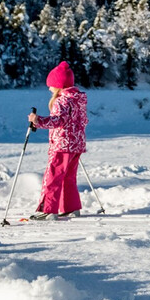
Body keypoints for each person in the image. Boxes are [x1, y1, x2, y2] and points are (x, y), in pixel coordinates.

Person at [26, 61, 89, 220]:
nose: (49, 88)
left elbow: (57, 121)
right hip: (76, 145)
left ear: (59, 85)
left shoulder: (61, 101)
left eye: (51, 84)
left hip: (62, 145)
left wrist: (37, 120)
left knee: (53, 176)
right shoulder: (78, 100)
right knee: (68, 177)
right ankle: (71, 207)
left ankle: (47, 210)